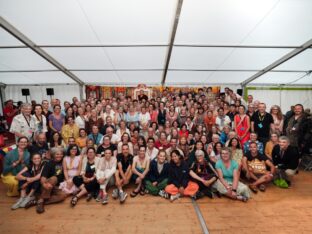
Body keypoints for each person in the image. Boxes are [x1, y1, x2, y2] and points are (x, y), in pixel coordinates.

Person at [26, 148, 67, 214]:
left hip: (55, 186)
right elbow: (43, 177)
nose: (59, 155)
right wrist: (44, 184)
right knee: (54, 178)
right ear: (53, 155)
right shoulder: (48, 164)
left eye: (61, 154)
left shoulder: (63, 162)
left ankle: (38, 201)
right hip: (46, 185)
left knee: (63, 196)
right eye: (57, 154)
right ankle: (41, 202)